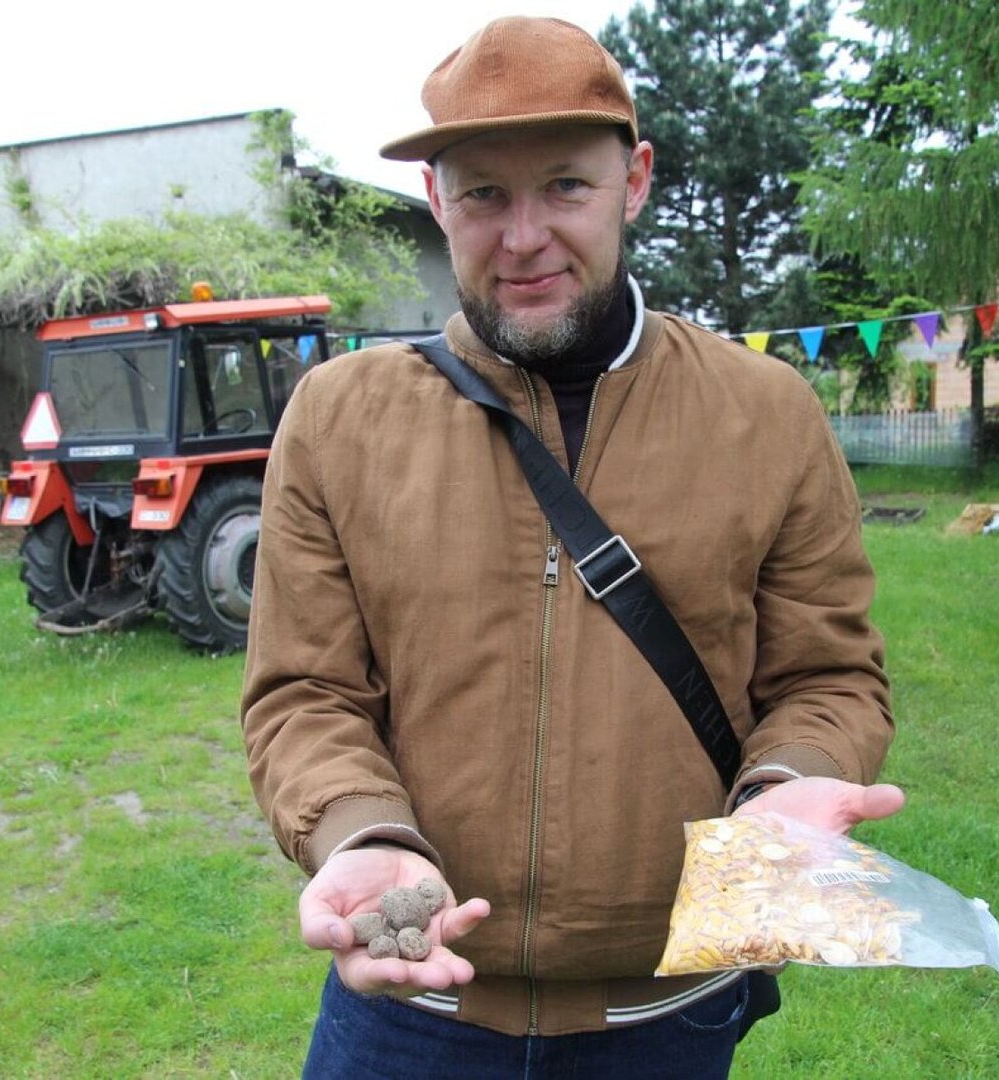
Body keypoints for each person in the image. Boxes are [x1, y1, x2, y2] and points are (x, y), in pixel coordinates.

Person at [239, 15, 899, 1078]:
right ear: (436, 202)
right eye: (484, 196)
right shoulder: (337, 417)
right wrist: (366, 839)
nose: (524, 236)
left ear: (634, 180)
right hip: (413, 1014)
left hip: (668, 1021)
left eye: (566, 187)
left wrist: (789, 782)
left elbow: (829, 675)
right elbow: (304, 692)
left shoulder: (767, 412)